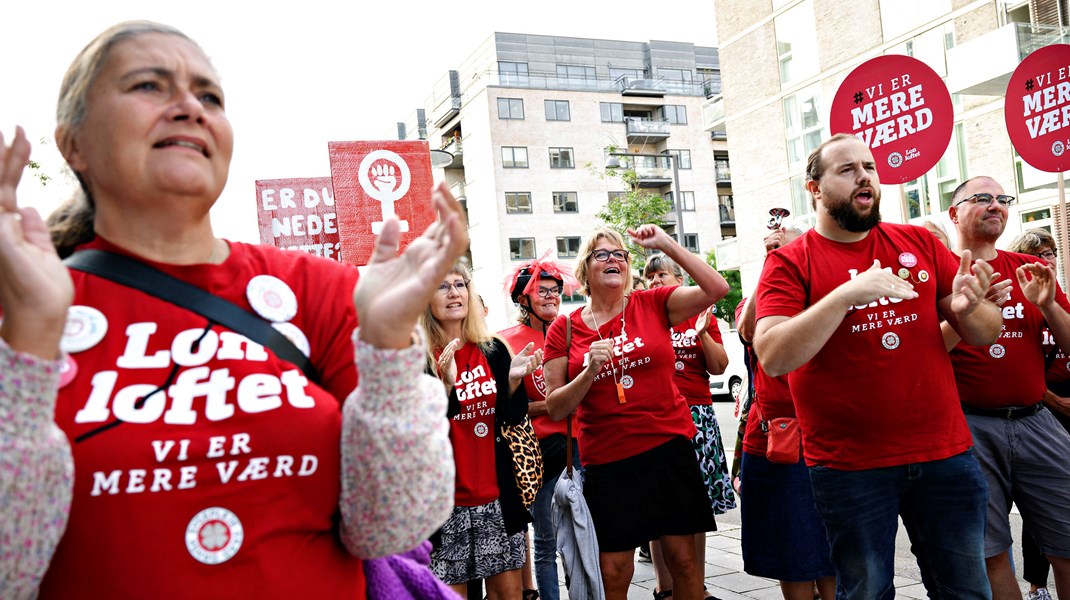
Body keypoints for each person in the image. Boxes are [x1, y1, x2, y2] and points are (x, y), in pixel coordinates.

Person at [0, 21, 465, 599]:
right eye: (150, 85)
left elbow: (393, 525)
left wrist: (390, 341)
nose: (189, 107)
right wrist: (26, 345)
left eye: (209, 96)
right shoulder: (24, 306)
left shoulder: (318, 289)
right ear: (73, 144)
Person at [753, 134, 1001, 598]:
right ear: (814, 189)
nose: (864, 176)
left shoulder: (918, 243)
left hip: (944, 455)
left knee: (967, 591)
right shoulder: (790, 262)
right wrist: (846, 295)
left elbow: (984, 335)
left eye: (869, 166)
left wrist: (972, 309)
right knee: (866, 591)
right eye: (847, 169)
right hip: (850, 468)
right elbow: (773, 355)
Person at [542, 225, 730, 600]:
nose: (613, 259)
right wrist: (588, 372)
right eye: (602, 254)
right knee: (614, 569)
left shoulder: (654, 303)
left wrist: (664, 244)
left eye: (620, 255)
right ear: (585, 270)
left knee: (685, 562)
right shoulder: (565, 328)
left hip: (667, 447)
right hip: (609, 460)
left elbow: (716, 289)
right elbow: (556, 405)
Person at [946, 179, 1070, 600]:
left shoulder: (1029, 267)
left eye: (1002, 199)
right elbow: (924, 351)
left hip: (1038, 422)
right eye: (981, 198)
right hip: (969, 429)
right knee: (991, 553)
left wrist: (1049, 305)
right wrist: (972, 311)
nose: (995, 205)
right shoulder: (940, 272)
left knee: (1068, 543)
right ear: (954, 213)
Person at [422, 261, 539, 599]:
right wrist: (445, 389)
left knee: (508, 595)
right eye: (442, 286)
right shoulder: (416, 357)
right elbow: (416, 430)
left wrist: (514, 382)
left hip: (497, 496)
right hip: (445, 507)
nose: (454, 292)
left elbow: (512, 418)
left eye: (460, 284)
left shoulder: (494, 348)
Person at [738, 227, 835, 600]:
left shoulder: (826, 291)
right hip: (775, 441)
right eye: (770, 249)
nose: (777, 251)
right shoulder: (761, 297)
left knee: (833, 550)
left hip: (827, 435)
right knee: (790, 552)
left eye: (787, 243)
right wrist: (770, 268)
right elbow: (748, 332)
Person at [643, 254, 734, 600]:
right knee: (661, 505)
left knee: (697, 507)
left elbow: (720, 367)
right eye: (649, 277)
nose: (654, 282)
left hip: (698, 415)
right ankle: (665, 588)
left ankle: (697, 585)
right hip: (658, 417)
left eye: (661, 275)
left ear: (678, 280)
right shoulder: (646, 317)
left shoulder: (698, 314)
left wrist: (701, 336)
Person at [499, 254, 581, 600]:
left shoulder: (574, 330)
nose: (550, 296)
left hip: (581, 448)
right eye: (541, 291)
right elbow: (503, 406)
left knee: (584, 539)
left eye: (554, 290)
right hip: (539, 455)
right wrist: (549, 405)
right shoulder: (504, 341)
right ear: (523, 299)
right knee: (547, 543)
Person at [1006, 228, 1070, 600]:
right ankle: (1037, 584)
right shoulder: (1020, 300)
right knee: (1036, 509)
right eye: (1037, 253)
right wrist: (1053, 401)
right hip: (1042, 406)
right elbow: (1021, 366)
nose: (1046, 259)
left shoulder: (1058, 300)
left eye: (1051, 251)